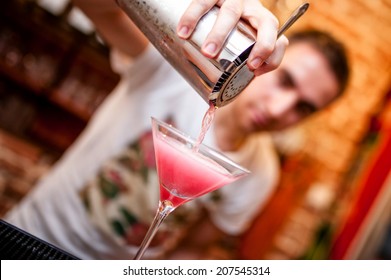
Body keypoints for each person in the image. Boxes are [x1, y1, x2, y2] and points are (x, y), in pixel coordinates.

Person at [4, 0, 349, 260]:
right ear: (264, 55)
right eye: (285, 81)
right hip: (28, 237)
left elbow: (193, 249)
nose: (278, 109)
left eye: (304, 107)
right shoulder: (171, 67)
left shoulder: (261, 175)